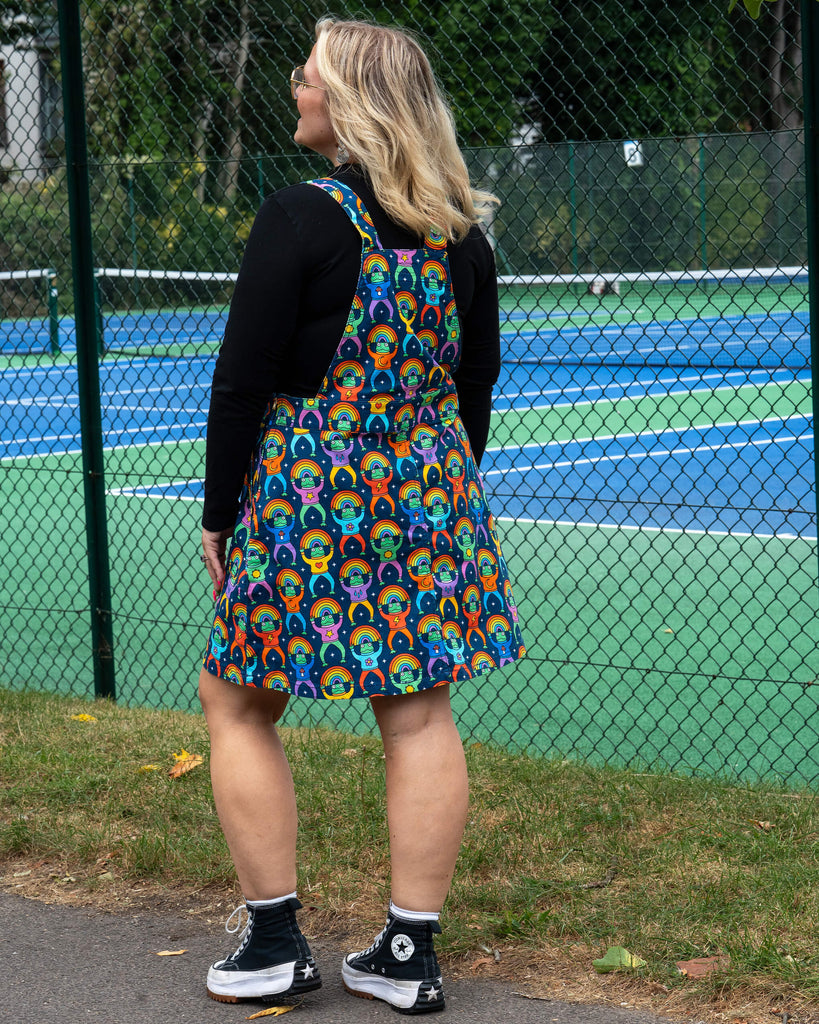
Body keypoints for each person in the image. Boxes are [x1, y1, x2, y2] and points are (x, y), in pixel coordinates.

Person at [197, 16, 525, 1014]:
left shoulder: (300, 218)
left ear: (347, 103)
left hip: (308, 494)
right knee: (420, 711)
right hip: (429, 496)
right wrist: (438, 490)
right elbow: (474, 390)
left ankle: (273, 940)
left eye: (309, 75)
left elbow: (241, 382)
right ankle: (409, 955)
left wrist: (221, 513)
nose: (296, 87)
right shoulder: (461, 238)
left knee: (237, 698)